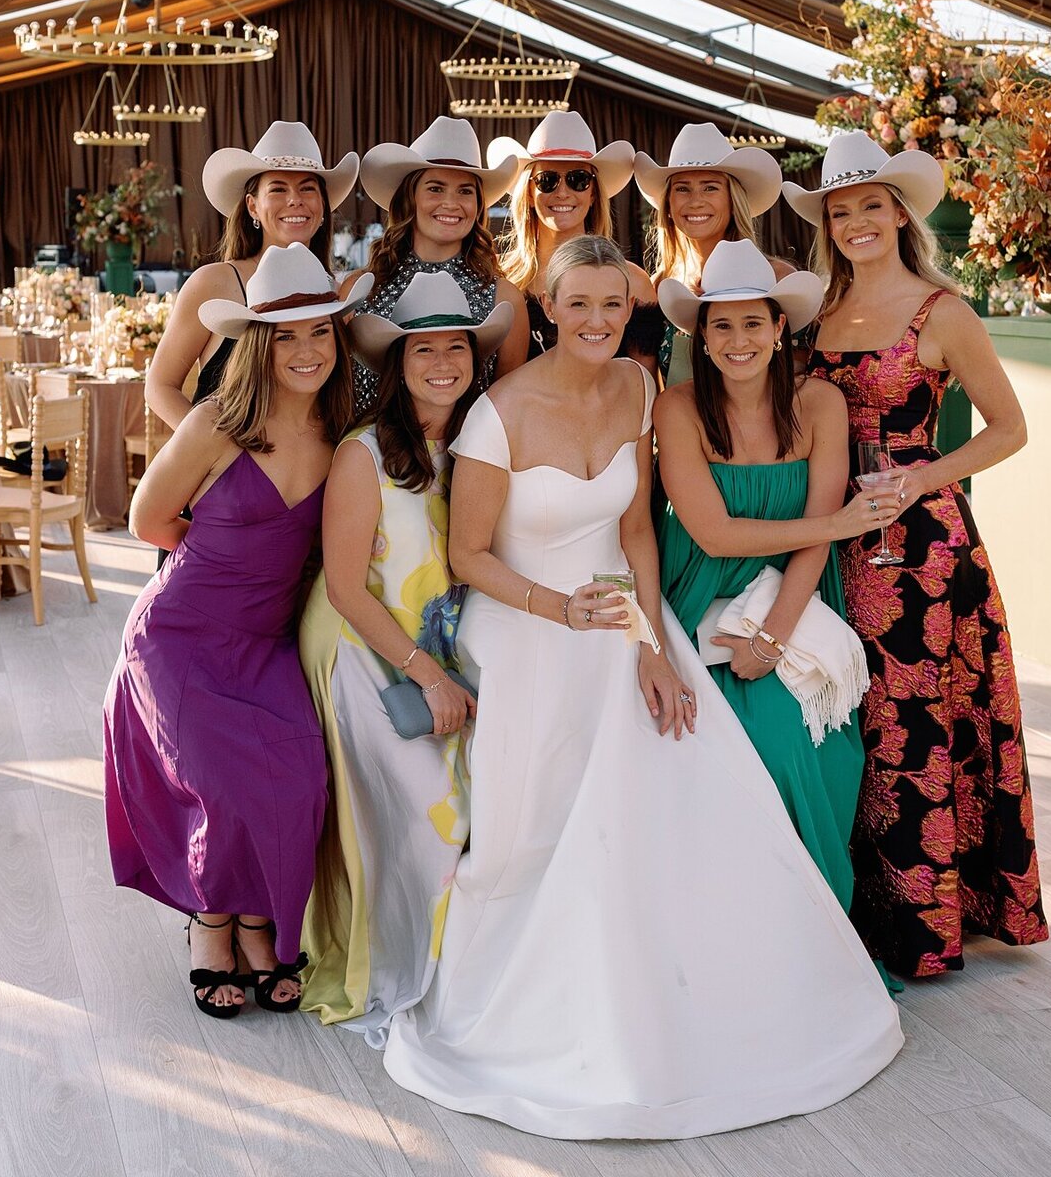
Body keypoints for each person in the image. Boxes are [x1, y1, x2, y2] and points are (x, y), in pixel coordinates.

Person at [382, 234, 902, 1140]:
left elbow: (635, 532)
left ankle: (709, 979)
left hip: (619, 609)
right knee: (563, 773)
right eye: (577, 303)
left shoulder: (637, 388)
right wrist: (558, 608)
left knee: (683, 747)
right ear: (546, 309)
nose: (596, 320)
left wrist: (654, 641)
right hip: (523, 613)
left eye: (613, 305)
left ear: (633, 313)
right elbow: (469, 555)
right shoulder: (496, 415)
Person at [787, 129, 1047, 978]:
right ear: (826, 225)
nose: (858, 221)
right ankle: (849, 907)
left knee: (916, 726)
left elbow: (1011, 429)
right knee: (847, 720)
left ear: (899, 213)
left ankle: (925, 927)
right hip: (830, 541)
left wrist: (922, 476)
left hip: (923, 553)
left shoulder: (944, 312)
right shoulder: (813, 315)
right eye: (841, 211)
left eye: (871, 205)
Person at [103, 243, 370, 1018]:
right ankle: (213, 923)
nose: (307, 349)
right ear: (258, 343)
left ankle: (260, 919)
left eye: (320, 333)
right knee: (222, 784)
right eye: (286, 336)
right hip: (181, 635)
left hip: (267, 642)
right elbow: (147, 518)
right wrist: (225, 559)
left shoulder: (342, 430)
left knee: (299, 780)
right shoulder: (219, 421)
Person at [297, 274, 513, 1041]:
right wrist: (428, 675)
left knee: (479, 796)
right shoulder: (364, 453)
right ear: (398, 362)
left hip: (430, 648)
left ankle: (459, 965)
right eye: (425, 348)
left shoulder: (471, 447)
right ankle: (390, 965)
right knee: (422, 810)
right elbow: (349, 588)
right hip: (361, 647)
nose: (444, 361)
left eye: (457, 345)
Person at [654, 239, 897, 911]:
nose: (739, 339)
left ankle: (811, 928)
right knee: (740, 749)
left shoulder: (820, 403)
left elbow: (814, 542)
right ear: (701, 336)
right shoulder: (676, 408)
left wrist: (771, 639)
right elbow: (713, 532)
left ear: (780, 326)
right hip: (697, 597)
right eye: (722, 324)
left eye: (753, 322)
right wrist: (839, 524)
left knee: (811, 752)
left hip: (794, 594)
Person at [146, 120, 358, 424]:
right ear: (252, 206)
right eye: (278, 189)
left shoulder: (339, 293)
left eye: (307, 188)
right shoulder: (214, 282)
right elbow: (160, 387)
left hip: (315, 467)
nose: (294, 199)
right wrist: (209, 456)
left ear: (323, 206)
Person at [351, 118, 528, 410]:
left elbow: (507, 413)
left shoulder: (505, 298)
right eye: (436, 188)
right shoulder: (360, 290)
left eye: (465, 191)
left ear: (478, 205)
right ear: (410, 199)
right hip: (368, 452)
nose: (451, 202)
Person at [492, 109, 660, 368]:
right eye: (547, 180)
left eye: (578, 180)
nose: (562, 193)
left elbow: (647, 387)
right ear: (528, 193)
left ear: (593, 193)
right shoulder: (502, 281)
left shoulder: (634, 283)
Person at [634, 122, 792, 386]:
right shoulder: (658, 288)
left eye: (710, 187)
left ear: (733, 200)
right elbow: (656, 390)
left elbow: (796, 375)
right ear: (668, 206)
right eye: (682, 188)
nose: (695, 200)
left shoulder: (778, 279)